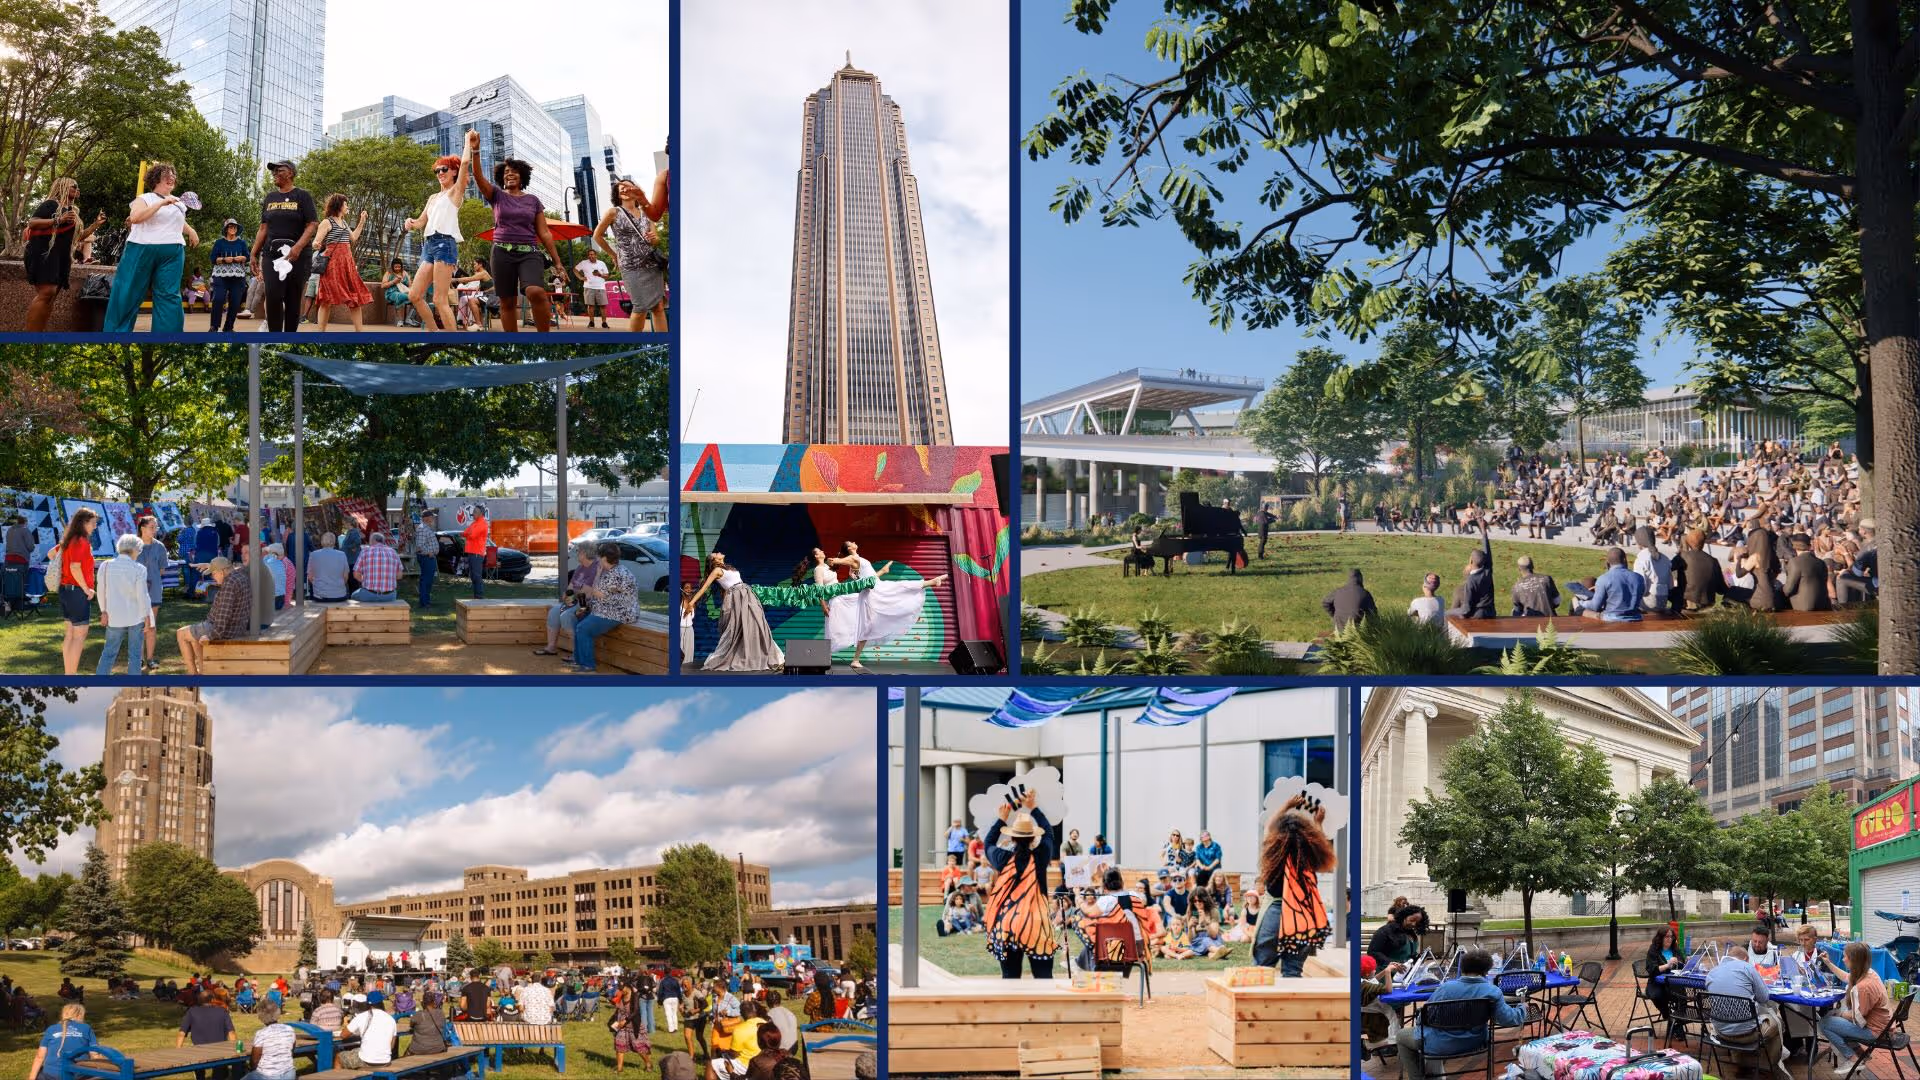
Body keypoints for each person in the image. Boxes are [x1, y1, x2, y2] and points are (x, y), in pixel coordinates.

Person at [469, 136, 568, 332]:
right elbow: (479, 177)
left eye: (514, 171)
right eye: (506, 172)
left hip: (529, 253)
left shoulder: (533, 200)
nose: (510, 174)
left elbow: (545, 233)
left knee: (536, 292)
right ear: (501, 177)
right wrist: (475, 151)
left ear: (522, 176)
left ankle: (544, 337)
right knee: (507, 302)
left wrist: (557, 262)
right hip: (501, 253)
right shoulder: (496, 195)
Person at [1394, 949, 1527, 1078]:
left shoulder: (1445, 988)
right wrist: (1522, 1007)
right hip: (1475, 1042)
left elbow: (1425, 1018)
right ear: (1486, 971)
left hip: (1439, 1043)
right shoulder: (1493, 992)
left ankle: (1417, 1077)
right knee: (1428, 1037)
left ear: (1462, 969)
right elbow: (1508, 1019)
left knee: (1401, 1035)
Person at [104, 163, 198, 332]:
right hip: (141, 248)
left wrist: (191, 231)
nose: (171, 178)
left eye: (173, 175)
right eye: (166, 175)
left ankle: (168, 337)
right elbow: (136, 218)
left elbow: (175, 220)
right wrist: (161, 204)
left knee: (168, 295)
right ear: (156, 179)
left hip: (172, 251)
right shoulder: (144, 198)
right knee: (128, 291)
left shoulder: (178, 202)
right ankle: (116, 334)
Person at [1254, 793, 1335, 975]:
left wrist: (1287, 804)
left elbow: (1268, 828)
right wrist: (1318, 824)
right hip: (1303, 917)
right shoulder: (1310, 857)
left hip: (1276, 911)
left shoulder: (1275, 855)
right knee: (1293, 971)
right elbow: (1320, 845)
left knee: (1262, 967)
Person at [404, 134, 476, 331]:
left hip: (445, 244)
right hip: (429, 245)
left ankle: (452, 340)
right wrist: (410, 222)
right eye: (437, 170)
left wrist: (467, 142)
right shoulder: (433, 197)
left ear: (453, 172)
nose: (440, 172)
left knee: (440, 299)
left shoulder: (455, 192)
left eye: (444, 169)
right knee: (414, 295)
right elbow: (420, 223)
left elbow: (465, 164)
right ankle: (435, 333)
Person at [984, 790, 1057, 979]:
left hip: (1008, 923)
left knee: (1010, 978)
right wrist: (1033, 808)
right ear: (1033, 837)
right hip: (1037, 922)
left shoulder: (1002, 858)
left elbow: (988, 843)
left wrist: (1001, 819)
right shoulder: (1041, 856)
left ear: (1013, 837)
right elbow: (1049, 833)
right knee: (1043, 979)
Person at [23, 177, 106, 331]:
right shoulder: (51, 204)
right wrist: (58, 220)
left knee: (51, 297)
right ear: (62, 187)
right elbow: (32, 223)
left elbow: (78, 237)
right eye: (74, 186)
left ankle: (39, 333)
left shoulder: (73, 211)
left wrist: (95, 224)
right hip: (44, 252)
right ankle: (30, 335)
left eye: (78, 187)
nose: (77, 189)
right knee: (47, 292)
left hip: (61, 256)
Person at [249, 161, 318, 333]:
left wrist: (298, 247)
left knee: (293, 299)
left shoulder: (302, 196)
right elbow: (263, 228)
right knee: (273, 296)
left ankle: (289, 338)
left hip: (298, 256)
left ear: (291, 173)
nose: (275, 173)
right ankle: (274, 338)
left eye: (279, 170)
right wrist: (253, 253)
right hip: (272, 255)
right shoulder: (270, 198)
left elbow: (312, 224)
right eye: (273, 171)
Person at [593, 174, 668, 333]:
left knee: (658, 306)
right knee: (640, 307)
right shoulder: (613, 212)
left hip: (652, 264)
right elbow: (597, 236)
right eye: (621, 189)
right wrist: (614, 255)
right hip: (630, 266)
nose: (626, 190)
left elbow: (655, 241)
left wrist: (654, 238)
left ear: (636, 190)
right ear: (618, 195)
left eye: (629, 187)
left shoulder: (646, 212)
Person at [1703, 945, 1791, 1080]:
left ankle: (1742, 1063)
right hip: (1748, 1034)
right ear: (1745, 958)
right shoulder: (1747, 967)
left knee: (1738, 1016)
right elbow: (1764, 997)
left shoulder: (1712, 972)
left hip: (1721, 1032)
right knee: (1777, 1022)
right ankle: (1771, 1065)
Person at [691, 552, 785, 671]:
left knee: (759, 625)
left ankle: (771, 657)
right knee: (738, 628)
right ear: (714, 559)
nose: (718, 552)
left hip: (747, 595)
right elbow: (704, 588)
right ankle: (737, 657)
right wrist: (691, 603)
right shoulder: (716, 571)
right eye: (715, 553)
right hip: (737, 599)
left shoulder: (728, 567)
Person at [1818, 940, 1891, 1067]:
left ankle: (1852, 1059)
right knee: (1835, 1020)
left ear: (1854, 960)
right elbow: (1846, 977)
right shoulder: (1869, 972)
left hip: (1875, 1031)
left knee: (1824, 1023)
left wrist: (1839, 1014)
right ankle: (1861, 1054)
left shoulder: (1864, 986)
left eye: (1845, 956)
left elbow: (1858, 1018)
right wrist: (1828, 963)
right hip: (1882, 1026)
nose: (1843, 959)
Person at [571, 542, 640, 673]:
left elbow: (597, 593)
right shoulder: (610, 570)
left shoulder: (616, 574)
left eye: (598, 556)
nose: (597, 559)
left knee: (583, 628)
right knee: (578, 619)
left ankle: (588, 665)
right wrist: (597, 575)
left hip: (620, 612)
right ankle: (578, 660)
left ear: (603, 558)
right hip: (606, 609)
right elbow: (597, 594)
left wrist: (595, 585)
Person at [176, 556, 252, 675]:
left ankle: (192, 676)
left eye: (213, 573)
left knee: (181, 634)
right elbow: (234, 567)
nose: (212, 577)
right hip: (237, 626)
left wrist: (211, 636)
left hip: (225, 629)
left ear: (222, 572)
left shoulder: (229, 585)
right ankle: (203, 672)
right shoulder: (239, 576)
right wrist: (210, 565)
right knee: (194, 637)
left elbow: (223, 617)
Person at [96, 533, 153, 676]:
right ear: (135, 550)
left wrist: (103, 611)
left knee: (108, 653)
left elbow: (100, 590)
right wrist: (146, 615)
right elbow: (142, 595)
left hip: (113, 615)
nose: (139, 554)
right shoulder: (139, 568)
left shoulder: (106, 565)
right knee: (135, 656)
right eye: (139, 551)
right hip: (136, 616)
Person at [313, 195, 372, 331]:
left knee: (355, 298)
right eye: (346, 204)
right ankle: (320, 333)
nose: (347, 207)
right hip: (332, 265)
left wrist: (362, 221)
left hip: (347, 264)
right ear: (339, 205)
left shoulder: (344, 223)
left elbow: (354, 238)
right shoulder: (327, 222)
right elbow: (316, 241)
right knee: (326, 299)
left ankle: (360, 333)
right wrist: (316, 244)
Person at [535, 538, 600, 657]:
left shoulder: (596, 567)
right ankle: (551, 647)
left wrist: (571, 595)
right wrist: (568, 597)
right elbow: (570, 588)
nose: (576, 553)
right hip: (577, 601)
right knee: (554, 611)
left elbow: (585, 593)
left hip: (588, 605)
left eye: (578, 551)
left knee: (567, 615)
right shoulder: (581, 567)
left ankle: (577, 654)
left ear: (584, 553)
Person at [54, 508, 100, 675]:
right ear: (83, 523)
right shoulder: (80, 541)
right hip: (76, 592)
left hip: (66, 591)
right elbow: (75, 567)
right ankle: (71, 676)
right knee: (79, 636)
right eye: (93, 523)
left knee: (70, 634)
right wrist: (86, 588)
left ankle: (68, 674)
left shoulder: (68, 540)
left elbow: (51, 554)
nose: (95, 527)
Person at [26, 1003, 96, 1080]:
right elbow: (95, 1054)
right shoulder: (86, 1028)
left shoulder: (51, 1029)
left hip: (51, 1074)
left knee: (41, 1072)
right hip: (78, 1074)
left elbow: (39, 1057)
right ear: (80, 1015)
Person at [135, 515, 168, 672]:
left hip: (154, 592)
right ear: (142, 528)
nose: (154, 530)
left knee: (152, 626)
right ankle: (139, 659)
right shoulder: (133, 546)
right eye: (151, 527)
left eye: (156, 527)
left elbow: (161, 570)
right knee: (139, 626)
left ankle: (150, 659)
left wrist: (150, 579)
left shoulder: (160, 547)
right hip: (135, 593)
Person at [1581, 546, 1646, 621]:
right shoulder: (1639, 578)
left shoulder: (1603, 579)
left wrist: (1581, 602)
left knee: (1582, 611)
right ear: (1625, 560)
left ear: (1607, 563)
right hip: (1636, 617)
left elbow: (1595, 606)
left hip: (1611, 618)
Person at [1645, 925, 1685, 1036]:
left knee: (1682, 997)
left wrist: (1682, 962)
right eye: (1667, 937)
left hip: (1673, 982)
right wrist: (1667, 965)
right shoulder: (1654, 950)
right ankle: (1669, 1017)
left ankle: (1678, 1025)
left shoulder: (1675, 949)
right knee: (1657, 995)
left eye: (1671, 937)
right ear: (1660, 938)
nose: (1669, 939)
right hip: (1656, 982)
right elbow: (1652, 970)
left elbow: (1682, 962)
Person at [242, 1001, 297, 1080]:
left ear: (261, 1016)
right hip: (289, 1074)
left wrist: (253, 1070)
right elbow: (291, 1051)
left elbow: (254, 1060)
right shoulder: (289, 1029)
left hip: (267, 1076)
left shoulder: (261, 1033)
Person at [1676, 528, 1727, 611]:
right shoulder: (1713, 561)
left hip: (1687, 604)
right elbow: (1721, 589)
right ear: (1704, 543)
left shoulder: (1683, 557)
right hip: (1708, 606)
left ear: (1688, 543)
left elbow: (1667, 570)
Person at [340, 996, 397, 1070]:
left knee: (339, 1058)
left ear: (367, 1004)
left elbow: (343, 1035)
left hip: (366, 1060)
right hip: (385, 1061)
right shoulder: (391, 1019)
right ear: (382, 1003)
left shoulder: (361, 1016)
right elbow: (392, 1045)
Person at [1782, 532, 1833, 611]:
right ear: (1808, 546)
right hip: (1823, 604)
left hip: (1803, 606)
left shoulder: (1794, 562)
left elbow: (1788, 590)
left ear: (1794, 547)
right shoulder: (1821, 562)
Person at [176, 987, 236, 1052]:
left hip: (199, 1052)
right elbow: (231, 1033)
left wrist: (177, 1052)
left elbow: (181, 1034)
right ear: (213, 1000)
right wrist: (235, 1052)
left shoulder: (192, 1012)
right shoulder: (222, 1011)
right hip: (220, 1051)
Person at [1367, 905, 1427, 969]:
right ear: (1405, 916)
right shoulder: (1385, 931)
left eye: (1417, 923)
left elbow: (1408, 954)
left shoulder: (1411, 933)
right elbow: (1372, 952)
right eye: (1412, 920)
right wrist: (1391, 963)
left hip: (1403, 974)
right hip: (1386, 973)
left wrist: (1418, 958)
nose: (1413, 924)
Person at [351, 532, 401, 603]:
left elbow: (356, 574)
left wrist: (365, 580)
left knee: (353, 596)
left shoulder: (365, 551)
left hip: (369, 594)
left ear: (372, 541)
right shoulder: (393, 552)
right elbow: (399, 576)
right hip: (389, 596)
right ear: (383, 541)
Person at [1446, 549, 1496, 618]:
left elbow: (1466, 609)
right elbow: (1488, 553)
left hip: (1478, 615)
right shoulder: (1488, 572)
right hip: (1491, 613)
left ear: (1471, 561)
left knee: (1448, 613)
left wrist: (1448, 612)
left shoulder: (1471, 581)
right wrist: (1485, 538)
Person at [305, 532, 350, 602]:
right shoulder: (342, 555)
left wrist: (319, 586)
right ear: (334, 541)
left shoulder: (313, 555)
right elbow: (345, 577)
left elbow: (310, 577)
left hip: (320, 595)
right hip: (339, 594)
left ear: (322, 541)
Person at [575, 251, 612, 328]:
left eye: (592, 254)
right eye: (589, 255)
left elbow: (607, 276)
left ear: (596, 255)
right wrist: (580, 277)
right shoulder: (584, 263)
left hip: (600, 287)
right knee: (590, 306)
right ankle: (591, 322)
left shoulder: (601, 263)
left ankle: (604, 323)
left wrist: (599, 274)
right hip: (588, 287)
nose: (590, 256)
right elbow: (575, 270)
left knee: (602, 306)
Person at [463, 507, 490, 598]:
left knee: (476, 576)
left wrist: (468, 534)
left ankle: (479, 596)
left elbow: (472, 535)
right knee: (473, 576)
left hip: (477, 553)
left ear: (481, 514)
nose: (472, 513)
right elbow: (464, 533)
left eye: (475, 512)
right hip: (472, 552)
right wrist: (468, 534)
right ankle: (477, 595)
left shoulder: (482, 524)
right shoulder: (474, 523)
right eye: (473, 511)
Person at [379, 259, 414, 326]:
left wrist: (409, 290)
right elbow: (383, 285)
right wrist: (393, 282)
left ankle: (409, 318)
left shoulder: (405, 273)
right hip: (391, 293)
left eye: (399, 267)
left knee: (416, 297)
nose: (398, 268)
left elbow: (410, 285)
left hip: (404, 292)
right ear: (392, 267)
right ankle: (400, 320)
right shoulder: (388, 273)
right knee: (399, 296)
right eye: (396, 267)